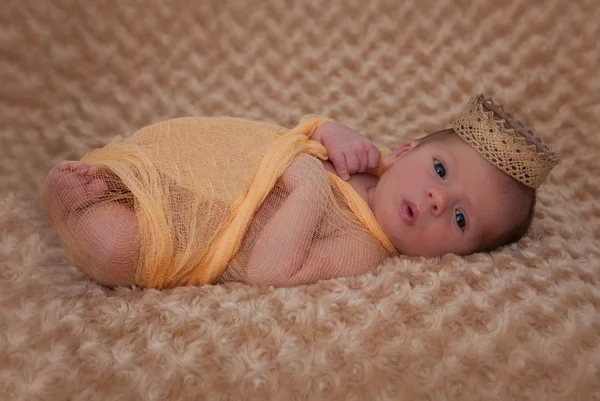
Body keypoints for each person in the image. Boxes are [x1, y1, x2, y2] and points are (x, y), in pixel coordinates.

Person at [42, 94, 559, 289]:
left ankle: (79, 208)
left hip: (203, 225)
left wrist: (309, 182)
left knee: (117, 251)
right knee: (166, 166)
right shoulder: (363, 155)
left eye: (461, 220)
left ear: (455, 256)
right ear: (404, 150)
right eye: (441, 170)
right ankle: (117, 178)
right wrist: (329, 129)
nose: (436, 200)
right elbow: (295, 136)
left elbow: (271, 269)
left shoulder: (363, 249)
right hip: (215, 170)